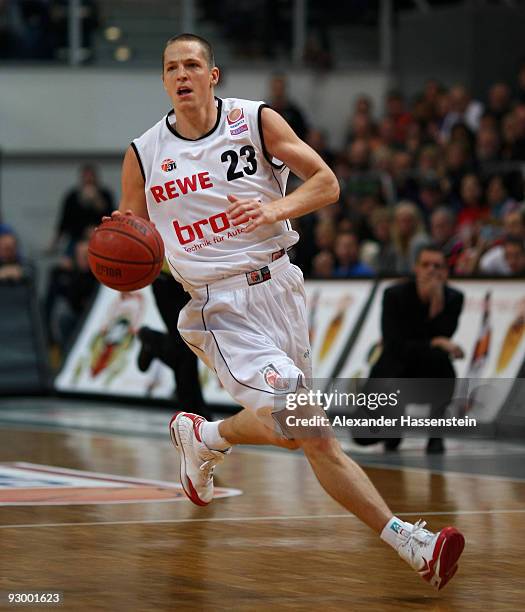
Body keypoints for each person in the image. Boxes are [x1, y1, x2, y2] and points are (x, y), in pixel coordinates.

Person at [107, 33, 465, 590]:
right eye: (172, 67)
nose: (182, 75)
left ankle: (207, 437)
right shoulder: (144, 153)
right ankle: (411, 543)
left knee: (296, 430)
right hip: (217, 307)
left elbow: (326, 182)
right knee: (313, 430)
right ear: (163, 80)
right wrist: (121, 254)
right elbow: (127, 234)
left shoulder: (254, 120)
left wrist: (274, 207)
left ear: (213, 75)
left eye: (192, 65)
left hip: (281, 288)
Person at [361, 245, 465, 454]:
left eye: (438, 266)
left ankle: (435, 434)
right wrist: (432, 342)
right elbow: (394, 345)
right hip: (394, 365)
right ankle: (393, 424)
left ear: (446, 272)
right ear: (416, 268)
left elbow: (444, 334)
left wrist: (436, 303)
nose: (432, 270)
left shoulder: (454, 298)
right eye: (426, 265)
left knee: (442, 364)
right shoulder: (394, 295)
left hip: (427, 367)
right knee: (362, 435)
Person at [136, 263, 208, 417]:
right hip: (166, 278)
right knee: (185, 345)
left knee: (189, 344)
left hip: (193, 275)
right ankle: (195, 415)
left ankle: (153, 341)